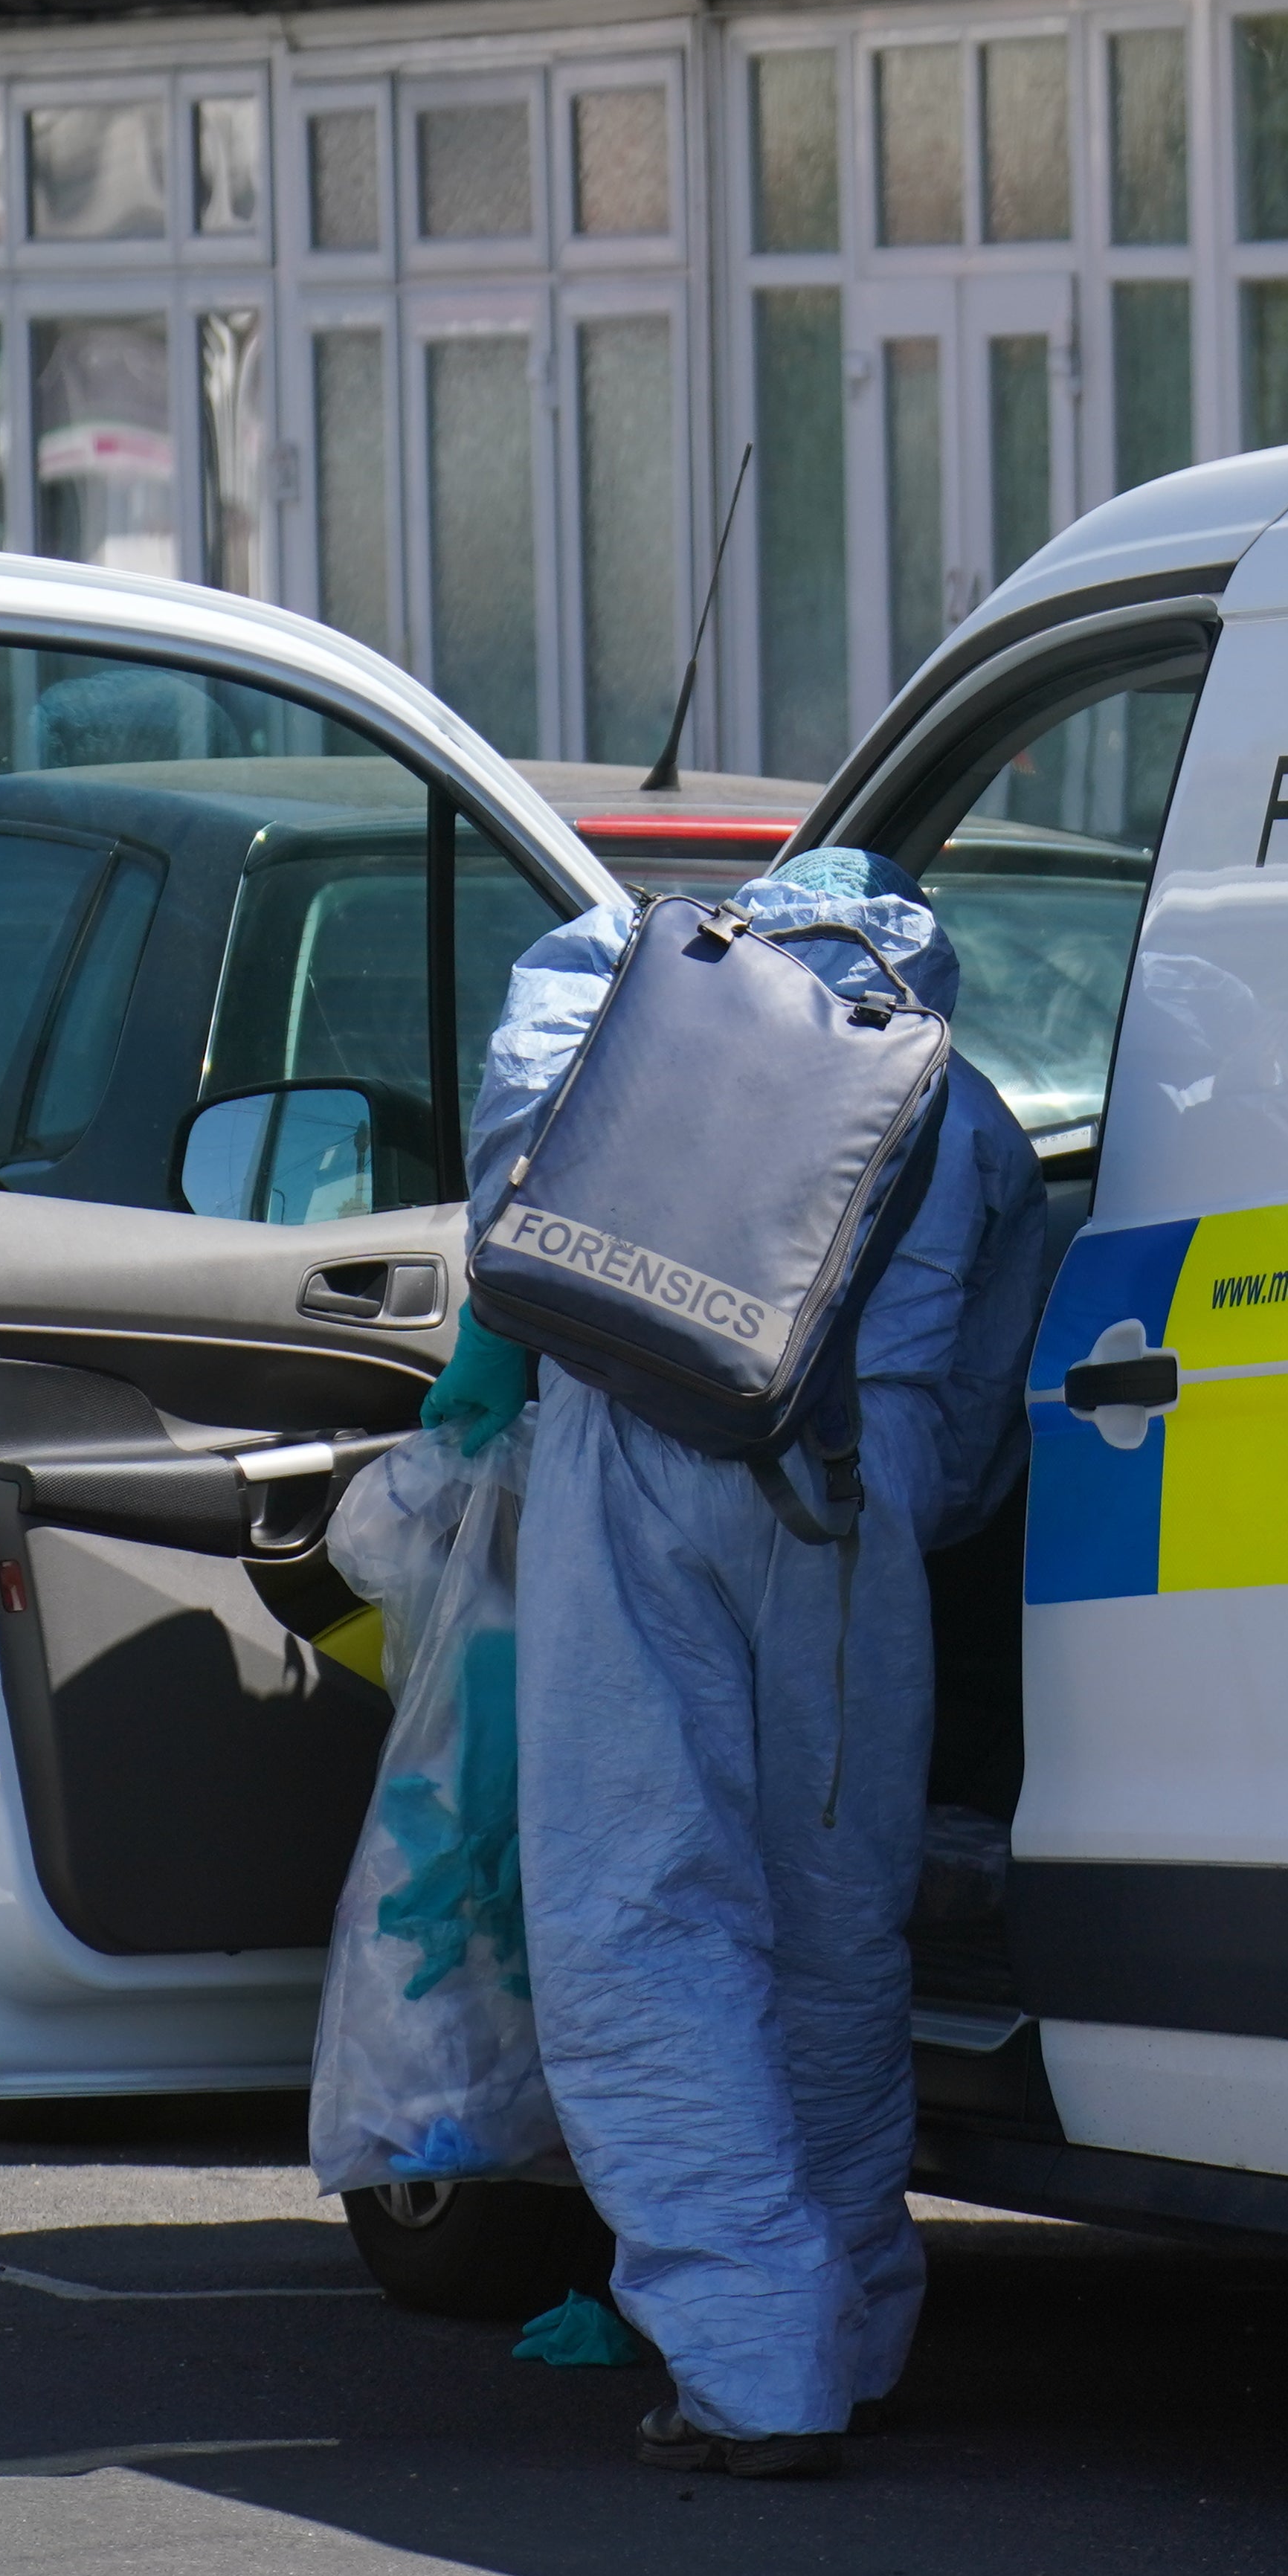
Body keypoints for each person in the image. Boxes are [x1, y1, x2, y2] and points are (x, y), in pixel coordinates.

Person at [471, 847, 1049, 2478]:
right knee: (836, 1930)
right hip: (857, 1511)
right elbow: (994, 1384)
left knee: (642, 1915)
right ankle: (853, 2323)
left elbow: (505, 1204)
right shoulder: (962, 1088)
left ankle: (752, 2359)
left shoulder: (628, 999)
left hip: (640, 1460)